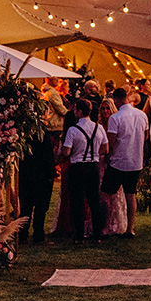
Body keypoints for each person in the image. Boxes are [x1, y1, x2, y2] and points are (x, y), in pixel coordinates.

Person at [21, 78, 66, 244]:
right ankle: (38, 235)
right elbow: (47, 156)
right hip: (40, 176)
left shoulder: (26, 131)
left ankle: (23, 233)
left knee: (26, 206)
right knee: (40, 207)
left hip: (27, 174)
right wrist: (51, 172)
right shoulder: (43, 134)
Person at [59, 98, 107, 243]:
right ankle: (97, 235)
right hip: (93, 165)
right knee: (94, 201)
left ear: (79, 111)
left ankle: (79, 235)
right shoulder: (99, 128)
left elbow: (66, 152)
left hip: (78, 166)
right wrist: (94, 153)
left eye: (75, 110)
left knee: (77, 201)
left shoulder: (73, 130)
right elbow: (106, 148)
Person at [103, 87, 148, 238]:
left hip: (119, 161)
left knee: (105, 194)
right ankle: (130, 228)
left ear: (116, 100)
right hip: (136, 161)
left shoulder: (115, 118)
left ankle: (104, 225)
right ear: (127, 97)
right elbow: (146, 136)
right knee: (131, 194)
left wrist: (108, 155)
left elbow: (112, 140)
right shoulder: (141, 115)